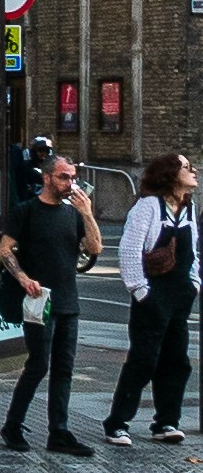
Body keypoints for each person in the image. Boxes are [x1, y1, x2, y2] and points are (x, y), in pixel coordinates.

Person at [0, 148, 104, 454]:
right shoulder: (27, 211)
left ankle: (59, 431)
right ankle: (13, 425)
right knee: (38, 365)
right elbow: (5, 249)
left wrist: (86, 212)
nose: (69, 182)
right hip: (38, 300)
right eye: (62, 176)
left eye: (72, 177)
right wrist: (22, 278)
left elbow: (95, 247)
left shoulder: (73, 213)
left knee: (64, 368)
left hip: (68, 301)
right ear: (46, 178)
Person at [104, 151, 197, 446]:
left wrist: (194, 282)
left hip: (180, 296)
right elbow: (129, 251)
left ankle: (166, 423)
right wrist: (141, 291)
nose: (192, 170)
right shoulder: (148, 207)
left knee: (177, 361)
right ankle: (117, 423)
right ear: (170, 175)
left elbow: (194, 250)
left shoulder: (188, 208)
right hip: (153, 297)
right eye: (186, 167)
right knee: (143, 360)